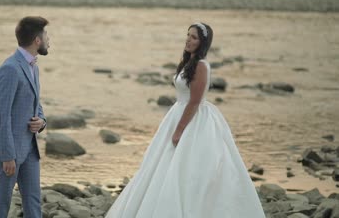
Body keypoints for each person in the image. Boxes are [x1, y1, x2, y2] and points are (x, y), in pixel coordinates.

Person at [105, 23, 266, 218]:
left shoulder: (200, 66)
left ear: (203, 43)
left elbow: (195, 101)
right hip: (178, 113)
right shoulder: (188, 62)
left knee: (189, 166)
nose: (188, 40)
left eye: (194, 37)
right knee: (162, 163)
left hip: (193, 119)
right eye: (188, 35)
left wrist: (180, 130)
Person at [0, 16, 50, 218]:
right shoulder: (10, 68)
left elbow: (34, 102)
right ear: (37, 40)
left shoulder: (33, 67)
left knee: (33, 200)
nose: (49, 39)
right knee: (2, 200)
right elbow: (0, 115)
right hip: (10, 150)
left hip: (30, 147)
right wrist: (7, 155)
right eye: (46, 35)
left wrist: (41, 121)